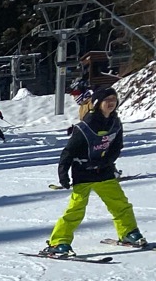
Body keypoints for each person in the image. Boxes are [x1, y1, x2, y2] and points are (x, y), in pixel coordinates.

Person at [41, 86, 147, 257]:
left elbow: (117, 146)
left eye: (114, 99)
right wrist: (63, 175)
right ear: (98, 103)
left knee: (120, 204)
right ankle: (59, 242)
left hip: (104, 172)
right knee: (76, 210)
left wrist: (106, 161)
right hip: (83, 173)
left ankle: (129, 233)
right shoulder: (85, 126)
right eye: (107, 100)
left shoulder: (115, 123)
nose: (111, 103)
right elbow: (68, 152)